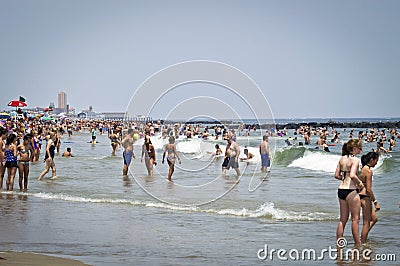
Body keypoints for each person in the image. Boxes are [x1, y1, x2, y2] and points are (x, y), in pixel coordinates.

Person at [334, 139, 364, 245]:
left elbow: (336, 175)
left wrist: (343, 178)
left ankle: (339, 242)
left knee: (343, 219)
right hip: (351, 190)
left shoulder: (341, 159)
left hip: (341, 190)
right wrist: (361, 184)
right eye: (360, 148)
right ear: (354, 148)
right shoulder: (355, 160)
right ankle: (357, 243)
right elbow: (352, 175)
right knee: (355, 219)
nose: (361, 150)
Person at [359, 151, 380, 244]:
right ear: (372, 160)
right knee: (366, 223)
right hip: (365, 197)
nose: (376, 163)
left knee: (374, 218)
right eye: (376, 160)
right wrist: (375, 202)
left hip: (357, 195)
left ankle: (361, 237)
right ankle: (362, 243)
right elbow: (369, 189)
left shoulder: (360, 169)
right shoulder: (368, 171)